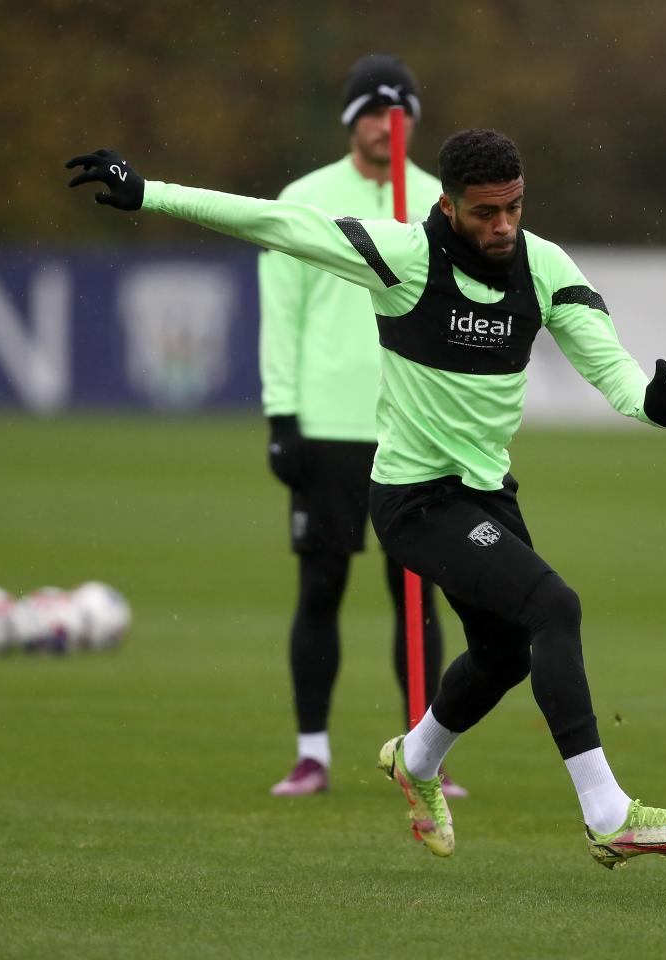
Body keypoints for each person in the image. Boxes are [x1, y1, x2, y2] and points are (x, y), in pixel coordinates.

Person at [66, 128, 666, 868]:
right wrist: (151, 193)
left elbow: (612, 366)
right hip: (413, 499)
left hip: (486, 493)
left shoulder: (543, 267)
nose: (502, 225)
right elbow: (277, 223)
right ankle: (608, 814)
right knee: (554, 606)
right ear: (447, 206)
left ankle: (414, 760)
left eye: (512, 207)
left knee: (505, 653)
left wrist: (651, 403)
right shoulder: (403, 257)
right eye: (484, 213)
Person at [259, 54, 462, 799]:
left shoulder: (444, 202)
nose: (386, 127)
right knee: (321, 585)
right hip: (328, 425)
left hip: (412, 427)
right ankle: (312, 753)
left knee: (420, 591)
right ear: (352, 121)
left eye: (398, 111)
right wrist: (282, 415)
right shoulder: (306, 199)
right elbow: (282, 319)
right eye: (372, 113)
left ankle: (425, 756)